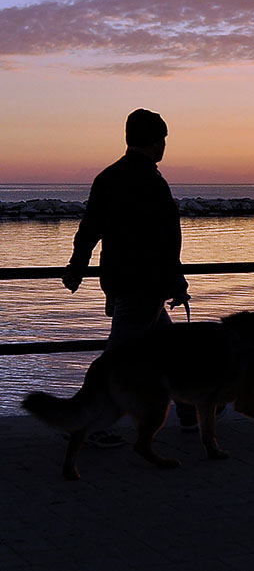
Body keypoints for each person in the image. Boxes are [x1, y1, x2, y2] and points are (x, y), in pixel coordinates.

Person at [62, 108, 195, 443]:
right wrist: (176, 281)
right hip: (146, 284)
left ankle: (190, 409)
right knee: (118, 358)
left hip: (121, 280)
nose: (165, 146)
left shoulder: (107, 177)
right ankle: (85, 423)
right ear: (153, 142)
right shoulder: (152, 182)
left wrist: (77, 267)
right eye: (162, 139)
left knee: (172, 350)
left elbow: (89, 228)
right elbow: (166, 240)